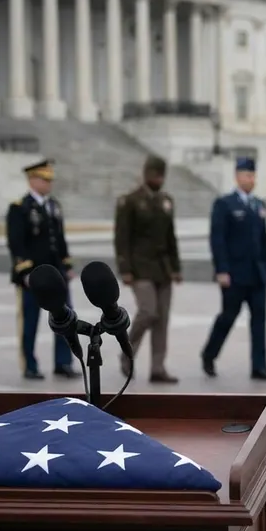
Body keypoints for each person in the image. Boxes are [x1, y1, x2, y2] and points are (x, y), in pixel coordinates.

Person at [201, 157, 266, 382]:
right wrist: (221, 269)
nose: (251, 180)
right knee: (228, 317)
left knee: (259, 321)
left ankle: (259, 366)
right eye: (247, 175)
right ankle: (209, 354)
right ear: (237, 176)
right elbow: (218, 239)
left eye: (253, 176)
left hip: (257, 274)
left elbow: (263, 240)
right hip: (234, 274)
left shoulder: (258, 205)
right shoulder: (225, 204)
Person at [6, 159, 81, 381]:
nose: (49, 184)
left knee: (65, 319)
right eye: (44, 179)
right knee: (30, 322)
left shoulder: (53, 205)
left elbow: (59, 239)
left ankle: (63, 362)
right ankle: (29, 364)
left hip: (56, 275)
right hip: (33, 276)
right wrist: (25, 271)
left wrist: (66, 265)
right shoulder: (19, 207)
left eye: (50, 179)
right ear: (32, 180)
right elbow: (16, 242)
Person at [113, 156, 181, 384]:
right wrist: (125, 269)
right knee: (148, 311)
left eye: (162, 176)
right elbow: (122, 237)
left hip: (163, 269)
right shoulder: (130, 201)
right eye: (155, 175)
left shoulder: (166, 201)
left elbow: (171, 237)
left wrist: (176, 267)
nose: (159, 180)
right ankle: (126, 352)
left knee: (162, 319)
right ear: (146, 174)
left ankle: (158, 367)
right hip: (140, 267)